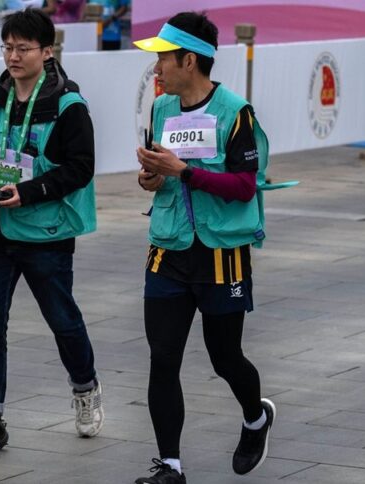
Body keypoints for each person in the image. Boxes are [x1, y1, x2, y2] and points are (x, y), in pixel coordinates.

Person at [132, 11, 276, 484]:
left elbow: (244, 187)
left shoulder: (236, 111)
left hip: (221, 254)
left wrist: (184, 171)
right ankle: (170, 467)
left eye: (163, 59)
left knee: (225, 357)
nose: (157, 68)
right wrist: (152, 177)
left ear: (189, 60)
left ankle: (255, 418)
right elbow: (162, 177)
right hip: (168, 249)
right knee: (162, 358)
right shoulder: (161, 108)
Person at [0, 7, 101, 473]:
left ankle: (85, 386)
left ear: (47, 51)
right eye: (7, 47)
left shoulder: (68, 105)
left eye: (23, 48)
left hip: (45, 232)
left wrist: (31, 191)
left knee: (62, 319)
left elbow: (81, 168)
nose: (13, 56)